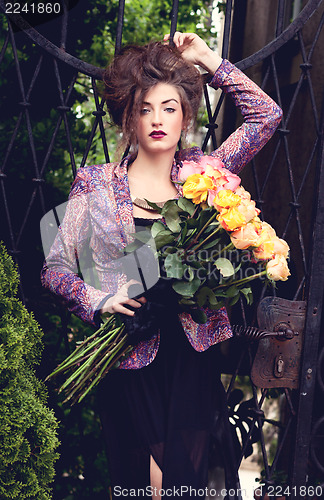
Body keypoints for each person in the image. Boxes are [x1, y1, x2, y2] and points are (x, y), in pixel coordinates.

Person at [41, 32, 282, 498]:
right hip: (127, 354)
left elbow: (266, 116)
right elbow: (54, 270)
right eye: (144, 108)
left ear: (186, 116)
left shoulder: (207, 174)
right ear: (127, 116)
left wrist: (207, 59)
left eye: (169, 107)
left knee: (180, 485)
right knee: (139, 485)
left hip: (191, 355)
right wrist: (99, 299)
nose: (157, 119)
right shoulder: (93, 186)